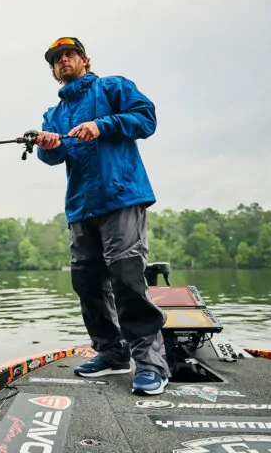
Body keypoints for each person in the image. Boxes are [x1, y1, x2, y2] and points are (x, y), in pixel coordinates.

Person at [30, 36, 170, 396]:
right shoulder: (54, 114)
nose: (63, 61)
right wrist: (49, 145)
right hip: (80, 206)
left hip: (121, 195)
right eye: (57, 59)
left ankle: (152, 363)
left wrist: (102, 125)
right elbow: (52, 158)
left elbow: (146, 118)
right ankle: (111, 352)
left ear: (85, 60)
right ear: (52, 71)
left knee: (126, 274)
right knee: (87, 282)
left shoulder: (113, 87)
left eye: (69, 54)